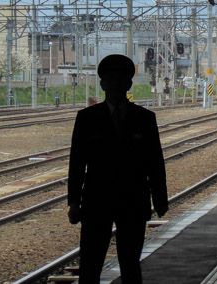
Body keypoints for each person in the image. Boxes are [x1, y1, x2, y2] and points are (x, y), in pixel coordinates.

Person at [67, 54, 169, 283]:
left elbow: (155, 161)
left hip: (127, 201)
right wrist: (73, 201)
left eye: (119, 79)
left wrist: (160, 198)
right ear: (102, 83)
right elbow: (77, 162)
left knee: (130, 264)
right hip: (98, 201)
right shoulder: (86, 118)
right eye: (109, 78)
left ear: (128, 84)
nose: (114, 83)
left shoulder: (145, 118)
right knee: (91, 265)